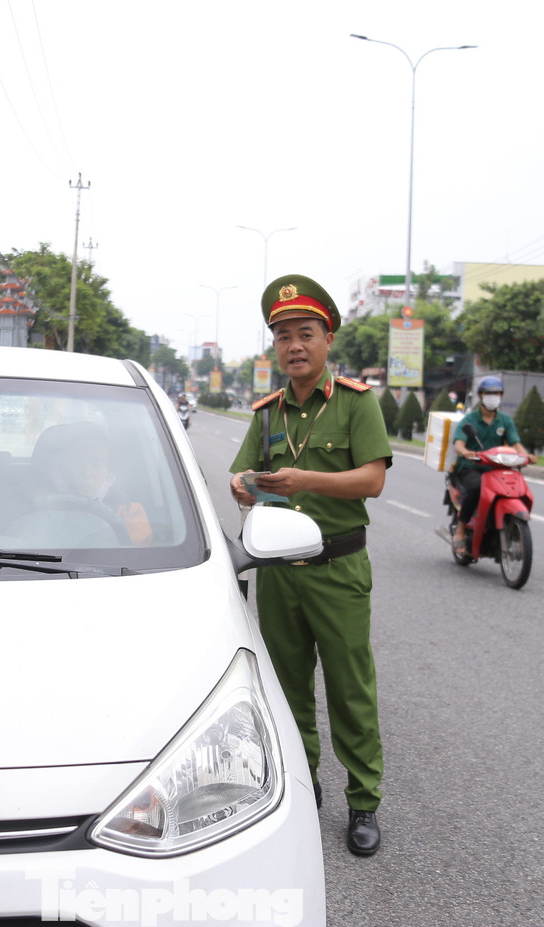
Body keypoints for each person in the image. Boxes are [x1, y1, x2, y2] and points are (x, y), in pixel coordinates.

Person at [229, 273, 391, 857]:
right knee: (287, 688)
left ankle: (364, 801)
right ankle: (304, 787)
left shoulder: (355, 403)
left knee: (350, 688)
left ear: (327, 339)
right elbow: (240, 473)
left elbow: (371, 479)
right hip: (278, 573)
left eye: (305, 334)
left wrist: (304, 480)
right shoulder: (267, 414)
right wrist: (244, 484)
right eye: (282, 337)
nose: (293, 346)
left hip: (337, 569)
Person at [451, 376, 538, 556]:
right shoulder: (470, 420)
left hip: (496, 468)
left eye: (497, 393)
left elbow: (515, 443)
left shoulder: (505, 421)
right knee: (476, 488)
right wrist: (466, 452)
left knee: (515, 489)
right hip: (471, 467)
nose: (493, 397)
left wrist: (526, 455)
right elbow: (459, 443)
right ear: (481, 395)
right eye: (489, 393)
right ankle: (460, 529)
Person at [37, 421, 152, 545]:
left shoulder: (127, 510)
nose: (87, 473)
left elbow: (137, 558)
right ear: (62, 464)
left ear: (108, 467)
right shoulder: (34, 499)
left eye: (97, 464)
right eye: (78, 463)